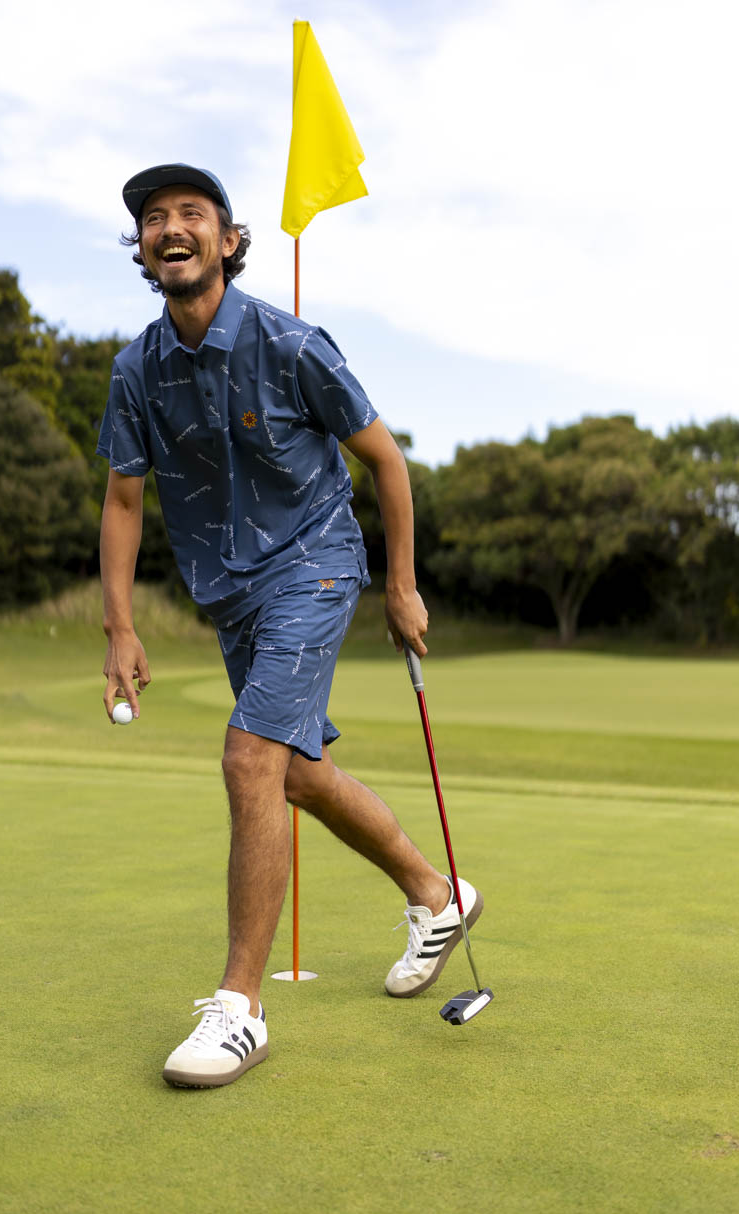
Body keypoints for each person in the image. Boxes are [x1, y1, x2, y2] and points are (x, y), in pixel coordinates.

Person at [97, 163, 483, 1089]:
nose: (171, 227)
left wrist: (400, 584)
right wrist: (119, 626)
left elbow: (386, 461)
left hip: (316, 563)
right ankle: (438, 895)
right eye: (155, 219)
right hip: (228, 595)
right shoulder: (136, 369)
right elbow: (121, 497)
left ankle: (240, 1009)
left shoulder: (290, 341)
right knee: (295, 773)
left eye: (193, 214)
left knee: (247, 759)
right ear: (144, 250)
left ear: (229, 241)